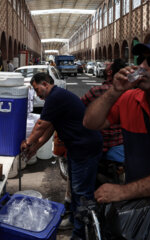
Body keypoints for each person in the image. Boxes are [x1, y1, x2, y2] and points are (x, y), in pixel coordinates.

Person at [83, 35, 150, 204]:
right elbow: (91, 123)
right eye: (141, 60)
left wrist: (124, 191)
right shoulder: (129, 98)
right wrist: (114, 90)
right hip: (136, 207)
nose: (142, 66)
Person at [20, 72, 102, 239]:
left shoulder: (55, 97)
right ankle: (73, 220)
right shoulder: (56, 98)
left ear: (45, 84)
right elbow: (49, 129)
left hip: (85, 149)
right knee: (74, 188)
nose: (37, 94)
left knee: (81, 193)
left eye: (37, 90)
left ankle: (80, 234)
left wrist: (28, 143)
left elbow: (41, 125)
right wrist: (35, 148)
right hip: (76, 148)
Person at [81, 58, 126, 164]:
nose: (105, 66)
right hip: (121, 141)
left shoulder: (97, 91)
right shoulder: (130, 93)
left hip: (100, 143)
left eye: (107, 66)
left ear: (110, 72)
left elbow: (79, 106)